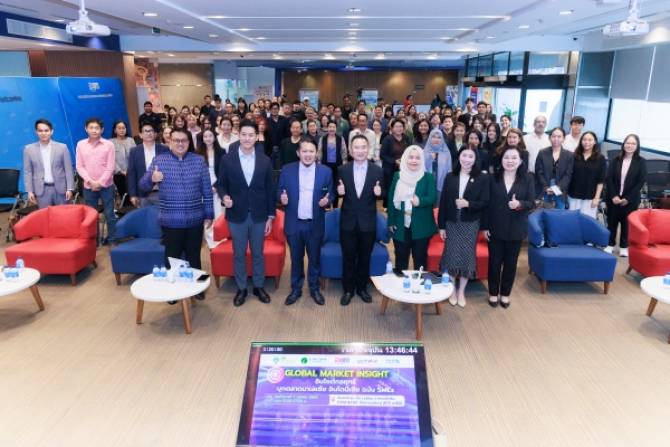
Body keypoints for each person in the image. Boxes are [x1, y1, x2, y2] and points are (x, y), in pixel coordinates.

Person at [139, 128, 213, 301]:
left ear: (189, 142)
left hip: (195, 219)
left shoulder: (199, 160)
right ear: (170, 142)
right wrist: (152, 179)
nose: (180, 144)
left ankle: (198, 289)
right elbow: (142, 185)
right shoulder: (159, 160)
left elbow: (207, 190)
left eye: (184, 140)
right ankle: (171, 292)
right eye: (176, 140)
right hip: (170, 220)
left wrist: (209, 214)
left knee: (195, 256)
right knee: (171, 257)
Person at [217, 120, 276, 307]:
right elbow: (221, 185)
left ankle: (258, 286)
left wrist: (270, 217)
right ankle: (241, 288)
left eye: (251, 135)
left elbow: (270, 190)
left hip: (259, 215)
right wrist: (224, 196)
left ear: (257, 137)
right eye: (244, 134)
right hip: (237, 215)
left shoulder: (265, 160)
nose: (247, 138)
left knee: (258, 253)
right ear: (239, 135)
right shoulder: (228, 159)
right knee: (239, 254)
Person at [277, 137, 334, 305]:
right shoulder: (287, 170)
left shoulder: (326, 172)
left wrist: (328, 200)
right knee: (296, 259)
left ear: (316, 153)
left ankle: (314, 288)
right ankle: (296, 288)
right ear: (298, 153)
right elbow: (279, 190)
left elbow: (331, 193)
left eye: (311, 151)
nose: (308, 154)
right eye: (304, 151)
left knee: (314, 258)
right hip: (294, 223)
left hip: (315, 223)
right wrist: (281, 197)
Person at [437, 146, 489, 308]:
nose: (466, 159)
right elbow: (443, 202)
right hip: (452, 222)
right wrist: (441, 226)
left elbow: (485, 202)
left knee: (467, 257)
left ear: (475, 159)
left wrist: (468, 204)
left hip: (470, 223)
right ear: (459, 157)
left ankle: (461, 291)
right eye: (464, 155)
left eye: (470, 156)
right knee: (451, 256)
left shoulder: (482, 178)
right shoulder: (450, 176)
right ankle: (452, 290)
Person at [484, 146, 534, 308]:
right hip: (495, 227)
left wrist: (519, 204)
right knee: (494, 263)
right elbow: (486, 204)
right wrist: (485, 227)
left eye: (514, 158)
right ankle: (493, 293)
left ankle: (505, 294)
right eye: (506, 157)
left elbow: (531, 202)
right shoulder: (492, 178)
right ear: (501, 160)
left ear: (520, 161)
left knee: (511, 264)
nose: (510, 161)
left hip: (516, 228)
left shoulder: (527, 179)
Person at [337, 134, 384, 306]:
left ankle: (362, 288)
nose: (360, 151)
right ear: (350, 150)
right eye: (356, 147)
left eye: (363, 147)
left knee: (365, 258)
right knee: (348, 257)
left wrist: (380, 193)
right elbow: (335, 192)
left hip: (368, 222)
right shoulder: (342, 170)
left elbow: (384, 192)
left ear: (368, 149)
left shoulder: (377, 170)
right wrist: (339, 192)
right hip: (348, 221)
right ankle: (348, 290)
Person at [387, 146, 437, 272]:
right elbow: (391, 199)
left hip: (422, 226)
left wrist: (420, 201)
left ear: (422, 160)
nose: (414, 161)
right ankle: (400, 283)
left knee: (420, 260)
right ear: (405, 159)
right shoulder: (397, 176)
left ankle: (419, 283)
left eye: (417, 158)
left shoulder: (428, 177)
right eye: (411, 157)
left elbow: (432, 197)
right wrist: (391, 221)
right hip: (400, 224)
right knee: (401, 258)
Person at [76, 117, 117, 244]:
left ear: (102, 130)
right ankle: (95, 241)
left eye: (97, 128)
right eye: (91, 128)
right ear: (86, 129)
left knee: (109, 214)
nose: (94, 130)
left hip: (107, 186)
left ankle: (112, 239)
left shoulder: (109, 145)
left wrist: (100, 182)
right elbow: (79, 166)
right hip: (89, 187)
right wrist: (90, 182)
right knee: (92, 216)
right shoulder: (80, 145)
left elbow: (110, 167)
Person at [604, 134, 647, 257]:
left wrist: (627, 198)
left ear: (637, 146)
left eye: (633, 143)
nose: (630, 145)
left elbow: (640, 182)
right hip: (614, 198)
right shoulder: (615, 160)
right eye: (628, 143)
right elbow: (609, 179)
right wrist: (614, 196)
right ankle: (610, 244)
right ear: (623, 144)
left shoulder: (641, 162)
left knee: (626, 223)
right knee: (612, 222)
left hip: (630, 199)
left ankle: (624, 246)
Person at [23, 118, 74, 208]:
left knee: (62, 214)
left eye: (46, 130)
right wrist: (30, 191)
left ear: (51, 131)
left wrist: (70, 189)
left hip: (61, 189)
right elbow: (28, 172)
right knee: (45, 215)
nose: (43, 133)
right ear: (36, 132)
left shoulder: (62, 148)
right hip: (41, 190)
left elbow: (68, 170)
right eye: (40, 131)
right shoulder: (28, 149)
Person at [195, 129, 225, 248]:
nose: (208, 138)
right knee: (206, 215)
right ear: (202, 138)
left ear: (214, 137)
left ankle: (219, 240)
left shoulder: (221, 152)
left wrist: (216, 187)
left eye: (210, 136)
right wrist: (204, 188)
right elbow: (196, 173)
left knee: (217, 214)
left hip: (217, 186)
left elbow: (224, 172)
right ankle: (210, 242)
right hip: (202, 187)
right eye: (205, 136)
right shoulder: (197, 153)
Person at [127, 123, 169, 207]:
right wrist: (133, 195)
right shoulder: (134, 151)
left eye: (151, 131)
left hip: (161, 192)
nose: (149, 133)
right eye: (145, 131)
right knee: (145, 214)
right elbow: (131, 174)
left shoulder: (164, 149)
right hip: (142, 194)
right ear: (140, 135)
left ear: (155, 134)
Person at [567, 131, 606, 219]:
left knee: (587, 221)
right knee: (572, 219)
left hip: (590, 197)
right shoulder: (574, 156)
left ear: (595, 142)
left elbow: (601, 180)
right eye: (584, 139)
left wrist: (597, 198)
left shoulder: (600, 158)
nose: (587, 142)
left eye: (590, 140)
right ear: (581, 141)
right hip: (574, 194)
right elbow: (569, 175)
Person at [535, 127, 573, 209]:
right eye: (554, 136)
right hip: (544, 188)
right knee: (544, 211)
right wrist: (546, 187)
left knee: (559, 213)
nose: (556, 139)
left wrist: (558, 187)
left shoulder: (569, 155)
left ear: (563, 139)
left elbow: (568, 174)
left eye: (559, 136)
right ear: (550, 138)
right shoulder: (542, 152)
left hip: (561, 189)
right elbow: (538, 171)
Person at [380, 119, 411, 206]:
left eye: (401, 126)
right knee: (390, 187)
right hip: (390, 168)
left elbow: (410, 151)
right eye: (396, 126)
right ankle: (388, 206)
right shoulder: (387, 139)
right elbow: (382, 155)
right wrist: (394, 161)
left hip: (404, 168)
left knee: (402, 188)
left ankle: (400, 205)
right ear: (392, 128)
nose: (399, 128)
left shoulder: (406, 138)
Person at [423, 128, 452, 206]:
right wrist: (430, 159)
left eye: (439, 137)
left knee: (439, 206)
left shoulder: (446, 152)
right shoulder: (424, 152)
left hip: (442, 184)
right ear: (430, 138)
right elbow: (421, 168)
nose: (436, 139)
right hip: (427, 184)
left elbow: (449, 170)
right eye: (433, 137)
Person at [318, 121, 348, 195]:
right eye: (330, 127)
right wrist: (319, 162)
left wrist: (344, 161)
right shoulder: (322, 138)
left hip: (338, 165)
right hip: (325, 165)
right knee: (326, 183)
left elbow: (344, 151)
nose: (332, 129)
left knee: (336, 183)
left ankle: (335, 199)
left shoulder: (340, 138)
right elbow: (319, 151)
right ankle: (326, 198)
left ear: (336, 128)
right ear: (327, 128)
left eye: (333, 127)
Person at [111, 120, 134, 205]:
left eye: (123, 128)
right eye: (119, 128)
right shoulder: (110, 142)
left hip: (131, 173)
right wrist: (121, 171)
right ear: (115, 130)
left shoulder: (131, 140)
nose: (122, 130)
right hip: (118, 174)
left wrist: (130, 170)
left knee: (133, 195)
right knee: (124, 197)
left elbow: (135, 156)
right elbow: (111, 159)